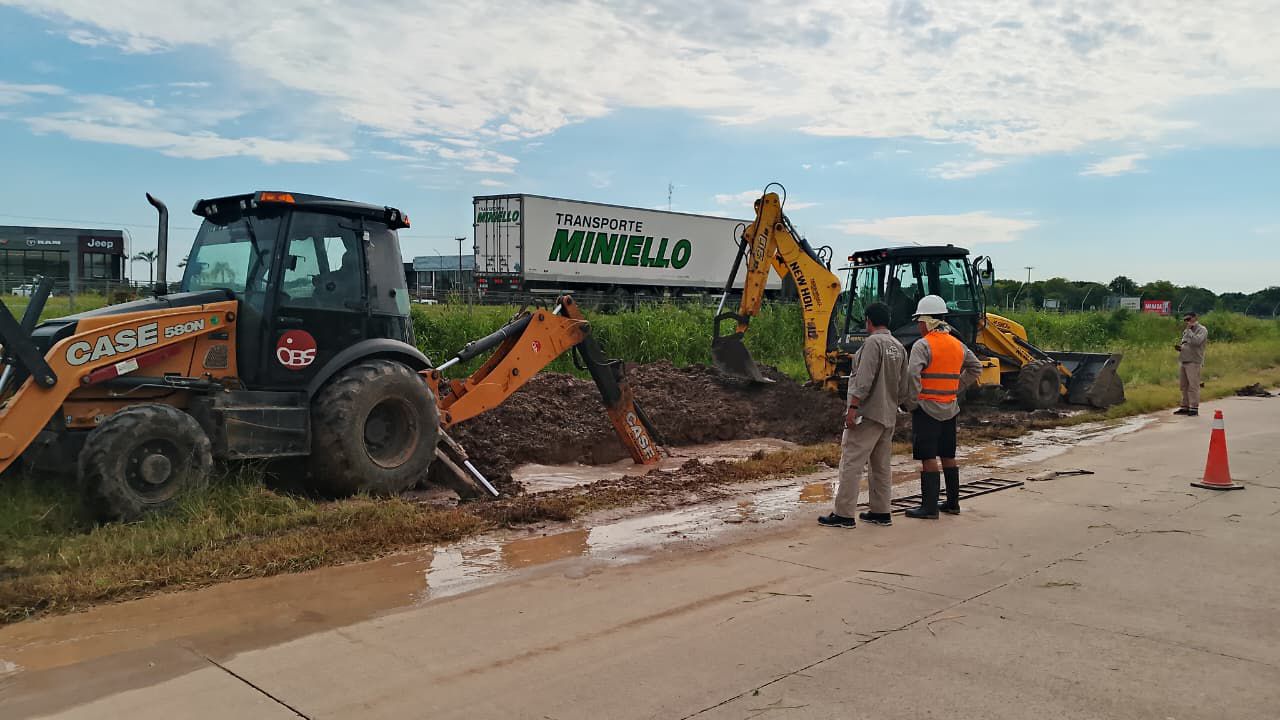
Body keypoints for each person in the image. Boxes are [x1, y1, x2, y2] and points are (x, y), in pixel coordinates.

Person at [819, 302, 909, 528]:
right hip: (888, 415)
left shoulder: (872, 344)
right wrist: (891, 404)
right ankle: (881, 511)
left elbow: (864, 380)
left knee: (851, 463)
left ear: (868, 320)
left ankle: (844, 514)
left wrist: (853, 408)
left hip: (867, 415)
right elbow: (905, 387)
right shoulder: (898, 346)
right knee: (881, 466)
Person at [902, 295, 983, 519]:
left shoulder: (923, 345)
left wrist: (912, 401)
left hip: (927, 409)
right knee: (948, 454)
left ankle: (929, 507)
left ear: (927, 321)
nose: (918, 325)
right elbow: (976, 368)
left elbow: (912, 374)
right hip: (950, 407)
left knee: (928, 457)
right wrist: (955, 388)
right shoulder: (958, 344)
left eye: (919, 321)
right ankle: (952, 503)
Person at [1174, 311, 1208, 416]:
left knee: (1193, 385)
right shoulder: (1186, 331)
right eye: (1185, 320)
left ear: (1194, 318)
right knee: (1184, 385)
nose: (1187, 322)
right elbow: (1185, 343)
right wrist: (1181, 348)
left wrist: (1189, 331)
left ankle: (1194, 407)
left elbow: (1197, 342)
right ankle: (1185, 406)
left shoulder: (1202, 330)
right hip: (1184, 359)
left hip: (1194, 361)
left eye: (1188, 319)